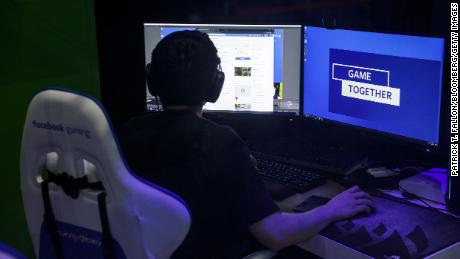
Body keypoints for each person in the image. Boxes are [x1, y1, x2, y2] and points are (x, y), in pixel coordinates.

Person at [120, 30, 375, 258]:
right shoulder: (220, 142)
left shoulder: (130, 131)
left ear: (152, 80)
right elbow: (276, 234)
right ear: (215, 85)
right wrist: (331, 209)